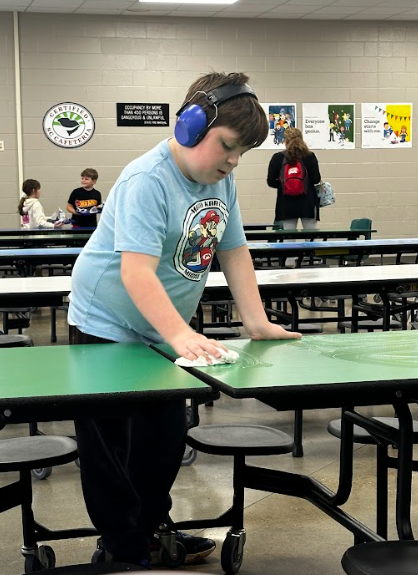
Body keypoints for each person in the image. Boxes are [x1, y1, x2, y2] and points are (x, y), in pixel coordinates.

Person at [68, 71, 301, 568]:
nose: (235, 161)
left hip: (164, 329)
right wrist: (180, 333)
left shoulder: (224, 180)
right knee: (110, 445)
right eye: (229, 146)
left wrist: (256, 322)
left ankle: (152, 530)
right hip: (105, 322)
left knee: (163, 438)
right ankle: (121, 547)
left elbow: (235, 252)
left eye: (244, 152)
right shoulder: (146, 178)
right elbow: (135, 272)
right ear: (190, 127)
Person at [267, 127, 321, 230]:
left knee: (289, 239)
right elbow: (316, 179)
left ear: (285, 140)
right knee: (311, 238)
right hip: (308, 202)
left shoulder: (277, 158)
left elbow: (271, 182)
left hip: (286, 203)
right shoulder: (310, 156)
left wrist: (285, 185)